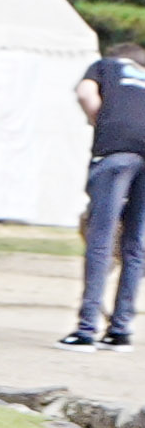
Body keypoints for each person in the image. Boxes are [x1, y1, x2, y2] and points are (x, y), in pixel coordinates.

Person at [64, 44, 145, 348]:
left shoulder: (105, 66)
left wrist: (104, 120)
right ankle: (121, 330)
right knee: (136, 244)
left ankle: (86, 330)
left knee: (101, 237)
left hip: (115, 153)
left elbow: (85, 94)